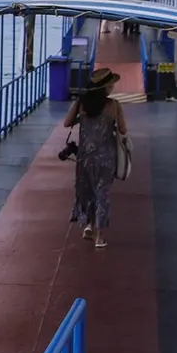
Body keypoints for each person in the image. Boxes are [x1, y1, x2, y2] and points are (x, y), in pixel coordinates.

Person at [63, 68, 128, 249]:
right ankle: (99, 237)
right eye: (111, 84)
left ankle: (89, 226)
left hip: (84, 157)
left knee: (87, 191)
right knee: (102, 194)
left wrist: (81, 119)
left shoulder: (82, 104)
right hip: (106, 156)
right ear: (106, 87)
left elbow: (66, 123)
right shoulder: (114, 105)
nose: (113, 87)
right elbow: (123, 130)